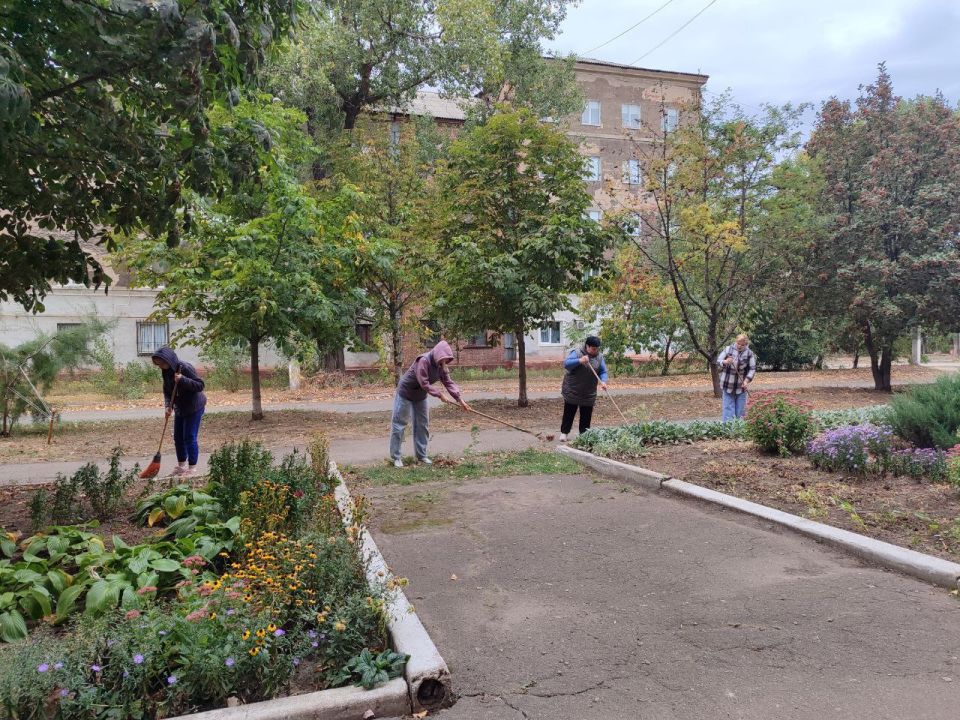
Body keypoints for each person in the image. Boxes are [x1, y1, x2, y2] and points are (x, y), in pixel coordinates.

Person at [390, 340, 469, 468]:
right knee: (400, 424)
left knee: (422, 424)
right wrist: (440, 395)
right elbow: (424, 383)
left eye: (447, 360)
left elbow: (448, 382)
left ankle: (421, 456)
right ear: (437, 354)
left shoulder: (441, 366)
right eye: (442, 359)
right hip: (405, 393)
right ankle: (396, 457)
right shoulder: (424, 360)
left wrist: (460, 400)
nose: (444, 362)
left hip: (420, 396)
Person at [151, 347, 207, 477]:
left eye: (162, 363)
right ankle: (182, 467)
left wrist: (183, 380)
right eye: (158, 364)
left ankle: (192, 468)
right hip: (180, 408)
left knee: (189, 437)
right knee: (178, 437)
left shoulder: (185, 368)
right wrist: (167, 406)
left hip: (194, 407)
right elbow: (167, 390)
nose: (161, 366)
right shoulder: (165, 371)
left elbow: (200, 385)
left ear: (169, 359)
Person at [559, 336, 608, 442]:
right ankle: (564, 433)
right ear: (587, 346)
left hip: (588, 391)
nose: (595, 351)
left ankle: (584, 435)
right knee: (569, 412)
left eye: (597, 348)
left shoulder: (599, 357)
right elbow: (566, 364)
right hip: (573, 389)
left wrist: (603, 381)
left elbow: (603, 371)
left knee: (586, 414)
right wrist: (580, 360)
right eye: (593, 348)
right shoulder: (577, 353)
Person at [716, 333, 756, 422]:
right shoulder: (728, 349)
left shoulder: (749, 353)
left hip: (741, 386)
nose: (739, 346)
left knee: (740, 411)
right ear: (736, 341)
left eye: (742, 345)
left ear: (746, 344)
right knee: (728, 409)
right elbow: (718, 361)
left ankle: (739, 430)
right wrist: (725, 361)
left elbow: (752, 369)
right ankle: (728, 431)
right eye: (738, 343)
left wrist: (746, 381)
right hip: (727, 385)